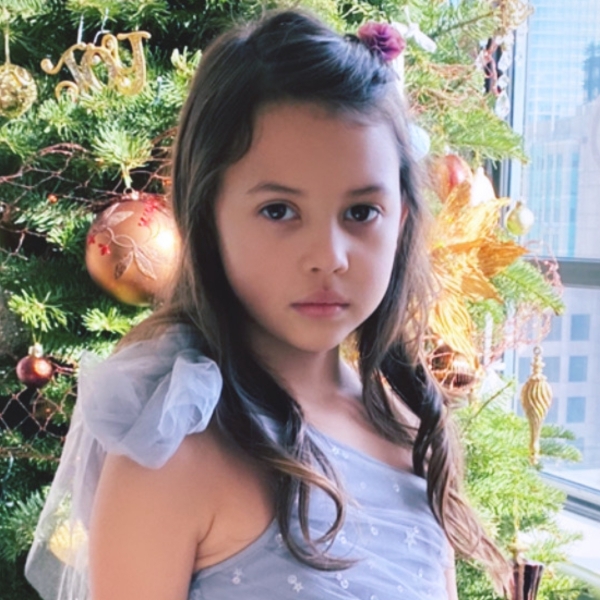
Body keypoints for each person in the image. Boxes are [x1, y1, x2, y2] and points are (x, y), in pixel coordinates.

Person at [25, 9, 511, 600]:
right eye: (279, 211)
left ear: (401, 221)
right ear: (208, 217)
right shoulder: (175, 452)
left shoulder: (410, 430)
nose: (328, 257)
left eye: (361, 212)